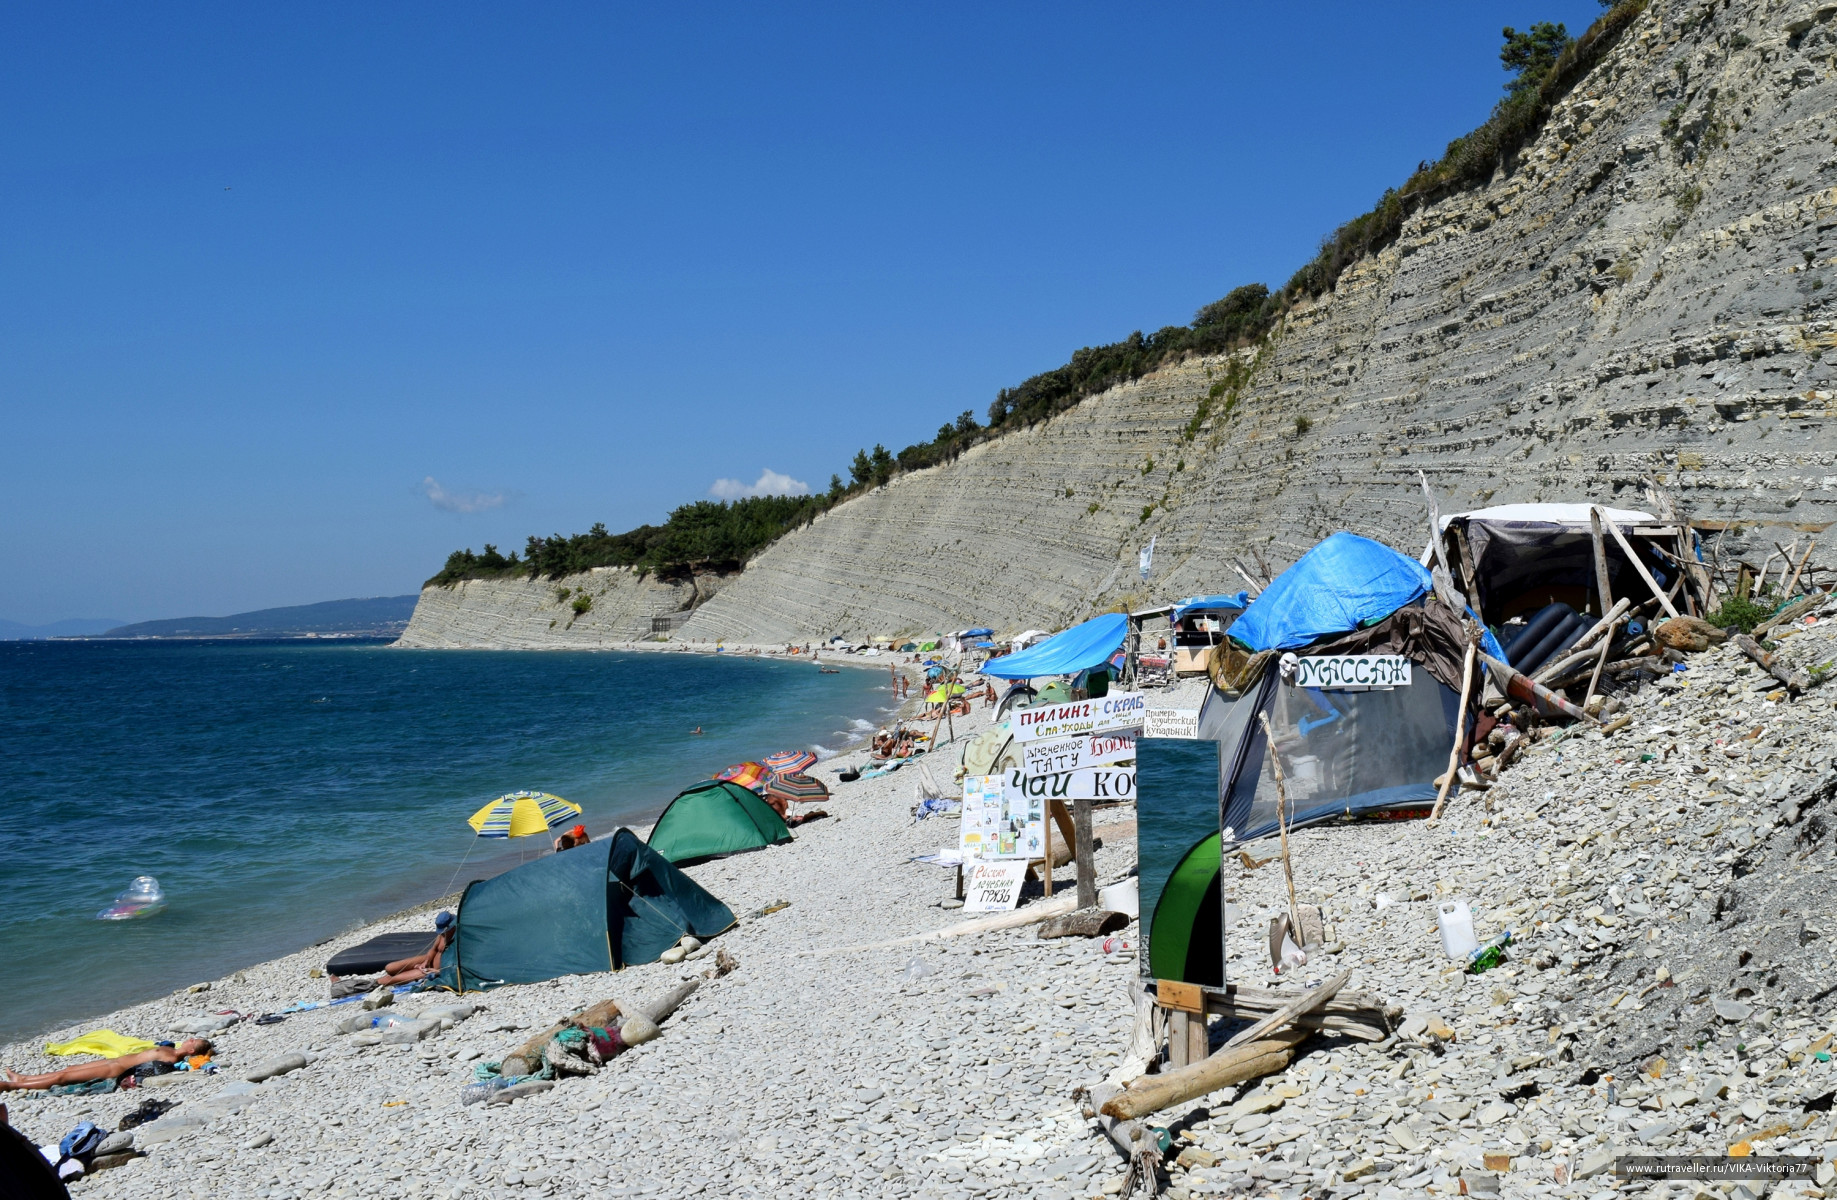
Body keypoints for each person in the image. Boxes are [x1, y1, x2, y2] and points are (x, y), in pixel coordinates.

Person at [1, 1039, 211, 1093]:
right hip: (113, 1061)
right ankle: (24, 1078)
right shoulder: (169, 1048)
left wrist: (194, 1065)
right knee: (68, 1070)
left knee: (63, 1079)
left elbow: (153, 1072)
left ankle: (13, 1086)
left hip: (114, 1070)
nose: (189, 1039)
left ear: (192, 1050)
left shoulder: (172, 1060)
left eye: (193, 1041)